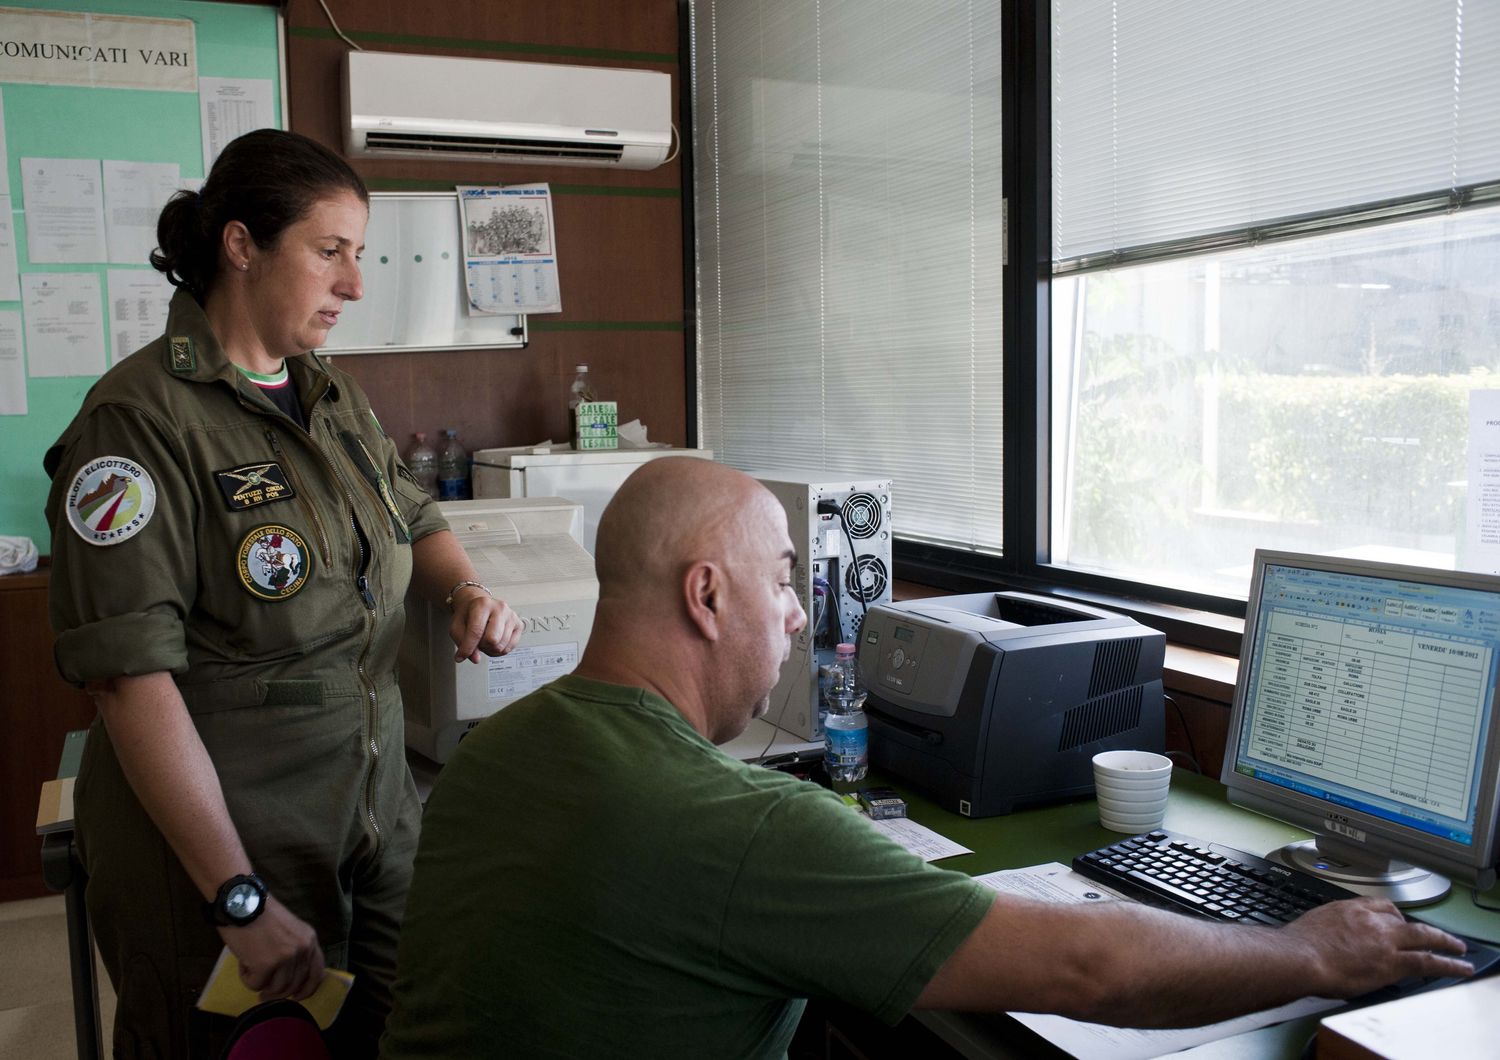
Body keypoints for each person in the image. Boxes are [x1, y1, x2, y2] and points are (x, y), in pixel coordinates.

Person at [378, 456, 1473, 1058]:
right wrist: (1317, 954)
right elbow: (1085, 967)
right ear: (706, 598)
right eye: (780, 583)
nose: (800, 619)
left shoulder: (497, 752)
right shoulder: (735, 827)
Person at [44, 128, 524, 1059]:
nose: (353, 283)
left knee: (400, 1033)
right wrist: (237, 896)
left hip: (372, 814)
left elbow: (411, 513)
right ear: (241, 245)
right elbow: (128, 681)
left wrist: (462, 588)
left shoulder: (329, 393)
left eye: (360, 255)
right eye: (329, 251)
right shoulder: (139, 424)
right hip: (225, 847)